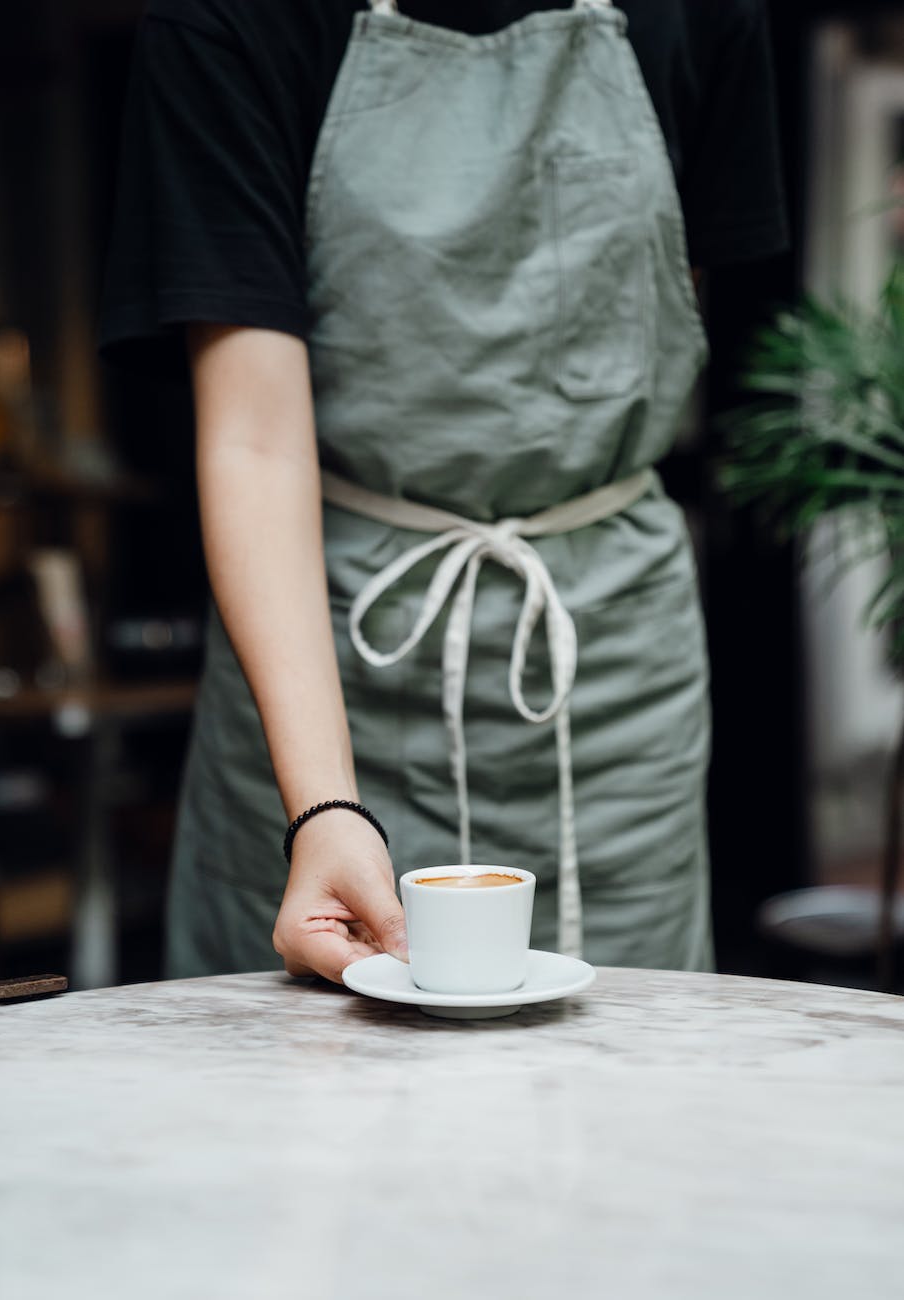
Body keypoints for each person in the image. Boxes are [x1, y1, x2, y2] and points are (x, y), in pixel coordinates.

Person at [99, 0, 789, 983]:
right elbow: (256, 440)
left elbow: (660, 308)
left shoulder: (709, 18)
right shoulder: (226, 24)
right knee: (314, 1095)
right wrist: (325, 808)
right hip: (330, 662)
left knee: (628, 1082)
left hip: (613, 666)